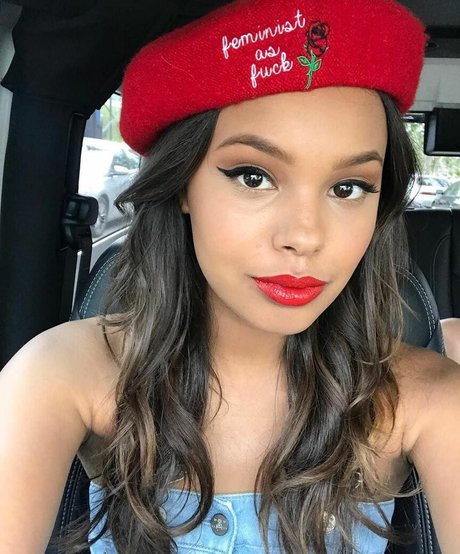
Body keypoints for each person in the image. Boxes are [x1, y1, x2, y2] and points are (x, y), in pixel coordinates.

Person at [0, 0, 459, 553]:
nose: (305, 236)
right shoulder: (64, 374)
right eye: (253, 176)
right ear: (183, 184)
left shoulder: (429, 401)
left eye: (348, 188)